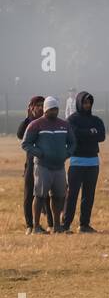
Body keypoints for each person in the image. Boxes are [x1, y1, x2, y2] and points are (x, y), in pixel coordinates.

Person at [21, 96, 77, 234]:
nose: (54, 111)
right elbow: (25, 143)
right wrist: (39, 153)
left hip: (59, 167)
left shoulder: (64, 125)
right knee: (39, 196)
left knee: (58, 196)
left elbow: (72, 142)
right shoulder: (36, 124)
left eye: (56, 109)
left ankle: (57, 226)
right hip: (42, 166)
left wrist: (67, 153)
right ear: (46, 109)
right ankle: (36, 226)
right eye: (51, 109)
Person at [63, 91, 106, 233]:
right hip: (76, 162)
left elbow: (102, 136)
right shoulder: (72, 119)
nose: (87, 105)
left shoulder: (96, 120)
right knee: (72, 194)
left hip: (93, 162)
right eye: (84, 102)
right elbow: (74, 134)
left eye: (89, 103)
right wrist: (90, 132)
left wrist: (85, 133)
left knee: (89, 195)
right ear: (79, 103)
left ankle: (84, 224)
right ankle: (66, 224)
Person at [17, 96, 49, 233]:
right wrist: (27, 117)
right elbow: (20, 134)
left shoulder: (48, 121)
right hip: (31, 163)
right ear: (31, 107)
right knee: (29, 194)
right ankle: (30, 225)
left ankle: (51, 224)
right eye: (38, 105)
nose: (41, 108)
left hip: (46, 163)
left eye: (43, 105)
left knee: (47, 194)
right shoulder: (28, 122)